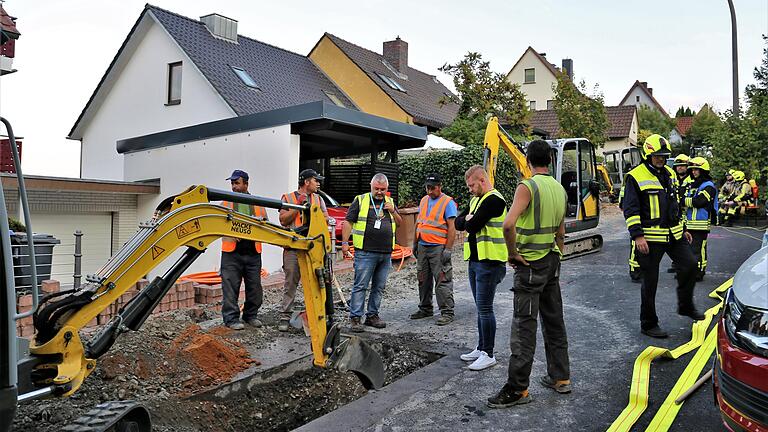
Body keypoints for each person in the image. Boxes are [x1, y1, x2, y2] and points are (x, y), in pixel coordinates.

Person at [487, 140, 570, 409]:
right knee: (554, 321)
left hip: (529, 266)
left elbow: (508, 224)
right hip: (550, 262)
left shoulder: (527, 186)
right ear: (550, 159)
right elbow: (560, 232)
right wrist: (557, 255)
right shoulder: (558, 188)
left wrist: (512, 253)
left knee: (524, 327)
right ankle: (561, 378)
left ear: (527, 159)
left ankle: (518, 389)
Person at [622, 135, 704, 339]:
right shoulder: (635, 176)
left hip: (674, 234)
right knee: (650, 282)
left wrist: (683, 227)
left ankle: (685, 306)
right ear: (647, 155)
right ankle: (648, 324)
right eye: (657, 156)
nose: (661, 159)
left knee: (691, 265)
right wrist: (638, 236)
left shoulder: (670, 174)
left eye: (664, 156)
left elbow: (674, 204)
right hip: (649, 238)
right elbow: (630, 210)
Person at [455, 166, 507, 371]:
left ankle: (489, 353)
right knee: (481, 308)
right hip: (476, 260)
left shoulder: (494, 200)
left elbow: (472, 225)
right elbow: (459, 223)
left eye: (471, 185)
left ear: (482, 180)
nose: (469, 190)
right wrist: (467, 220)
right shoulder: (476, 200)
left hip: (490, 261)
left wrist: (468, 220)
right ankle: (481, 347)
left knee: (485, 308)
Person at [341, 173, 402, 332]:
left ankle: (372, 315)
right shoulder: (360, 200)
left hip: (385, 252)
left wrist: (393, 212)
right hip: (365, 252)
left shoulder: (390, 203)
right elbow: (348, 221)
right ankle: (355, 318)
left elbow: (400, 223)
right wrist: (345, 243)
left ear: (387, 188)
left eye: (383, 189)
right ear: (371, 186)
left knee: (379, 287)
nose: (379, 192)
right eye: (377, 189)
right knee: (360, 285)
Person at [278, 169, 330, 331]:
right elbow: (283, 220)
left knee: (316, 283)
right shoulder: (288, 198)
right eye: (316, 180)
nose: (319, 183)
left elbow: (325, 218)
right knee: (290, 283)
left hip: (312, 249)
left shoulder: (318, 199)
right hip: (293, 248)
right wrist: (298, 206)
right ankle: (285, 317)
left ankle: (316, 316)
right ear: (307, 182)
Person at [220, 169, 268, 330]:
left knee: (254, 287)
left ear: (246, 184)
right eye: (232, 183)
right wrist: (231, 233)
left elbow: (265, 224)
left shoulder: (258, 203)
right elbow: (218, 223)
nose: (233, 187)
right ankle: (231, 319)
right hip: (231, 253)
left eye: (236, 183)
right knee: (230, 287)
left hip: (253, 252)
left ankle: (250, 315)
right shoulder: (226, 202)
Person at [409, 173, 457, 326]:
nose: (430, 191)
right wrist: (415, 243)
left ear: (440, 186)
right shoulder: (424, 200)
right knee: (423, 279)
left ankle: (447, 312)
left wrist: (448, 249)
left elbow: (452, 228)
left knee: (442, 279)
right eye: (427, 188)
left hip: (438, 247)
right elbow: (419, 223)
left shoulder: (447, 202)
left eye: (433, 188)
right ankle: (425, 308)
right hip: (423, 246)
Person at [684, 157, 718, 281]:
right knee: (690, 250)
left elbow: (699, 201)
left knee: (698, 251)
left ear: (703, 170)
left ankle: (699, 273)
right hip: (690, 224)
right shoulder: (694, 185)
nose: (694, 172)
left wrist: (683, 201)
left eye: (697, 170)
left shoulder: (708, 186)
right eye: (692, 170)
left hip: (701, 225)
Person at [667, 154, 690, 274]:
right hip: (677, 214)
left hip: (689, 214)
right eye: (678, 166)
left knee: (685, 241)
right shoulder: (672, 178)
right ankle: (676, 263)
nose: (680, 168)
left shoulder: (691, 179)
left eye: (683, 166)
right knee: (675, 239)